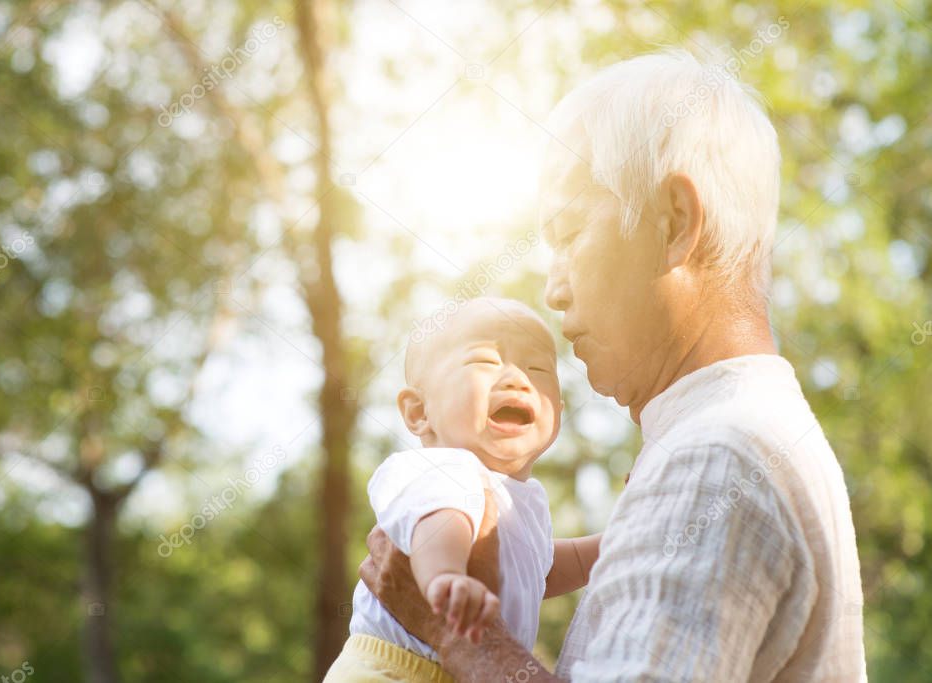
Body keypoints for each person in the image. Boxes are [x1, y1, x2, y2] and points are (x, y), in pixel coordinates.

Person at [359, 49, 866, 681]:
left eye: (569, 236)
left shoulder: (716, 456)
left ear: (675, 222)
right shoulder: (748, 433)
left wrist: (451, 632)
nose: (553, 291)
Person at [326, 297, 602, 682]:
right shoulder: (446, 467)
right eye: (485, 362)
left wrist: (613, 544)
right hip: (396, 670)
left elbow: (542, 571)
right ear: (419, 412)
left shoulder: (526, 501)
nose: (516, 378)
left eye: (537, 368)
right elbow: (439, 524)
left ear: (558, 407)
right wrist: (447, 577)